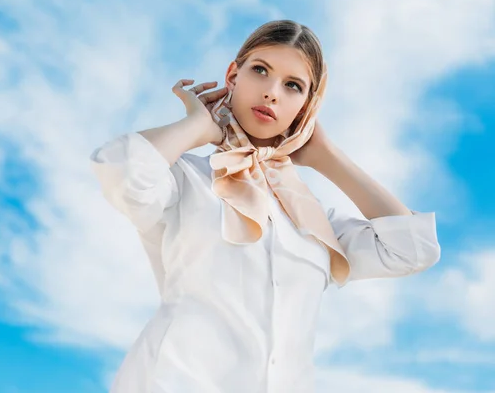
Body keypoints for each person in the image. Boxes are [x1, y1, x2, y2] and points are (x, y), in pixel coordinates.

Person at [90, 19, 441, 393]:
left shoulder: (312, 217)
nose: (272, 93)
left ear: (308, 105)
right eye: (261, 71)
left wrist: (327, 156)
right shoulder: (185, 179)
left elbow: (412, 250)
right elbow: (120, 171)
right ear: (233, 74)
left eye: (293, 86)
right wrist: (197, 127)